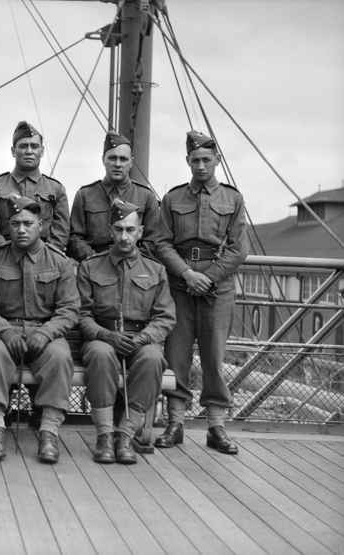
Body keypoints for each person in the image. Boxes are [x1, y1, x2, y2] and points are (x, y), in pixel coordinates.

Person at [155, 130, 248, 455]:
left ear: (217, 161)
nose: (201, 166)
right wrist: (187, 274)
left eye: (207, 160)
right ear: (187, 161)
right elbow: (161, 243)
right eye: (195, 160)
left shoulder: (232, 199)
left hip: (216, 288)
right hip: (180, 285)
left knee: (213, 357)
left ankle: (216, 427)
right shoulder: (173, 198)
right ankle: (175, 423)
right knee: (176, 356)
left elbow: (238, 250)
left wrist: (207, 278)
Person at [0, 195, 79, 464]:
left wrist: (46, 333)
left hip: (45, 331)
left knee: (60, 356)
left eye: (28, 223)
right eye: (15, 223)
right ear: (8, 226)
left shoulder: (59, 262)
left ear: (40, 225)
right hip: (4, 331)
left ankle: (49, 431)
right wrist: (4, 331)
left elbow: (69, 309)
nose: (21, 229)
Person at [77, 199, 175, 464]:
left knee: (153, 358)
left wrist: (142, 339)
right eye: (118, 229)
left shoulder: (155, 270)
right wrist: (106, 336)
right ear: (110, 231)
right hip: (103, 336)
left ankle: (125, 434)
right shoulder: (90, 267)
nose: (124, 236)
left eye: (130, 230)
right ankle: (105, 436)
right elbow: (82, 315)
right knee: (99, 354)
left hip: (141, 339)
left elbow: (165, 318)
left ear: (140, 232)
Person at [68, 131, 167, 261]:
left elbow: (153, 239)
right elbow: (75, 238)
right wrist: (95, 260)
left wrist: (130, 260)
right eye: (112, 158)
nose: (118, 164)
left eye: (123, 159)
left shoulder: (146, 196)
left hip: (134, 265)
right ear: (103, 159)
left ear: (131, 162)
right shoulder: (85, 195)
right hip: (94, 267)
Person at [0, 121, 69, 254]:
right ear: (13, 151)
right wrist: (7, 254)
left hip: (45, 258)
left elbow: (61, 230)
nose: (29, 151)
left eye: (34, 146)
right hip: (5, 257)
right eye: (23, 146)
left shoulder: (56, 189)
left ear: (42, 151)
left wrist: (46, 255)